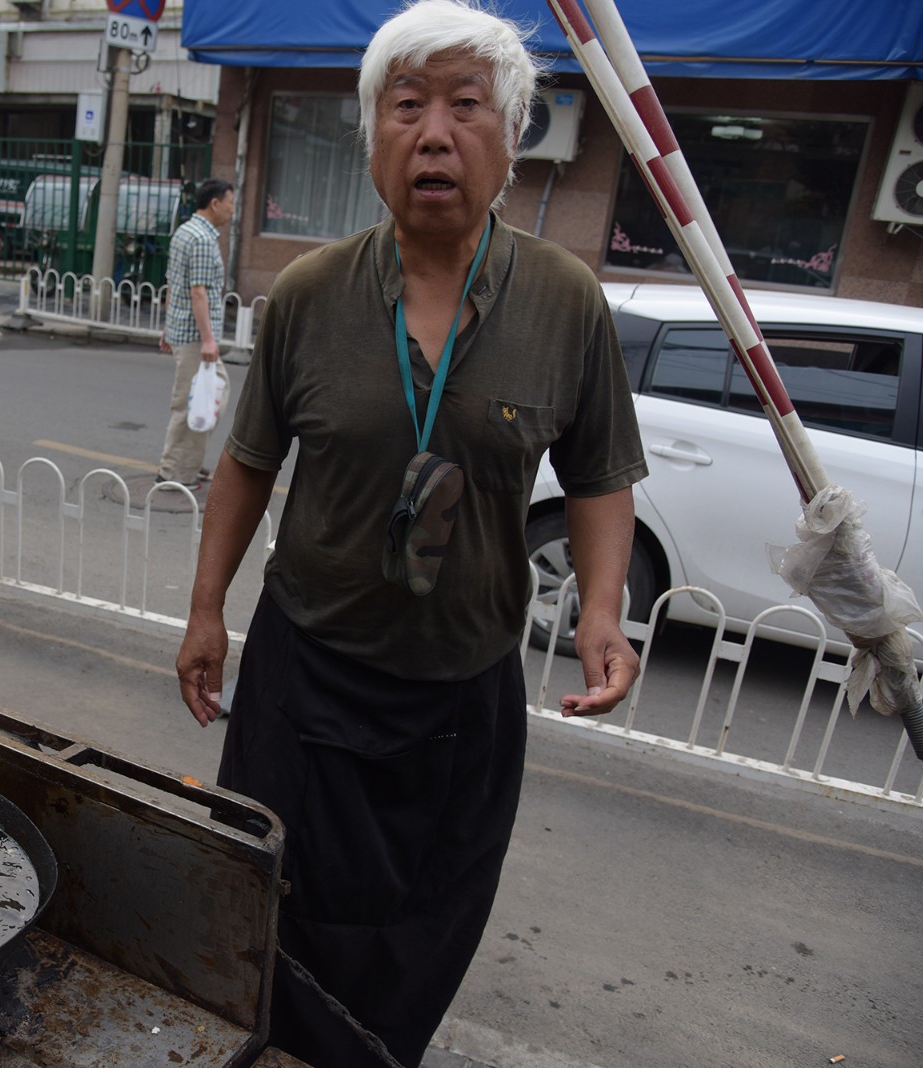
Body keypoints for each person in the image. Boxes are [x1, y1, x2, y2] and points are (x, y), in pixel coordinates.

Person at [173, 2, 648, 1064]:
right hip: (306, 680)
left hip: (460, 696)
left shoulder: (566, 302)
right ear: (373, 137)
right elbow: (248, 464)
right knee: (269, 916)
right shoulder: (306, 294)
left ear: (511, 134)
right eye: (407, 106)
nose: (434, 133)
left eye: (466, 106)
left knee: (417, 941)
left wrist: (603, 611)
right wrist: (206, 611)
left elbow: (600, 474)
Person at [156, 178, 235, 491]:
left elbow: (173, 284)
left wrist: (167, 326)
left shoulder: (185, 231)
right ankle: (173, 472)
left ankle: (186, 462)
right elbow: (197, 292)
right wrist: (208, 339)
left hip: (183, 331)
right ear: (214, 203)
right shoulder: (201, 239)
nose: (232, 210)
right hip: (194, 337)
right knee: (195, 404)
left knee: (203, 400)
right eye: (230, 203)